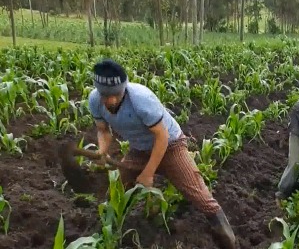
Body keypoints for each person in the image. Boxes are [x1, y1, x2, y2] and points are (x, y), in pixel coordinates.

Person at [87, 59, 236, 249]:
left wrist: (148, 173)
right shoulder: (94, 101)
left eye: (116, 94)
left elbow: (161, 137)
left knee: (201, 198)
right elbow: (103, 130)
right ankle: (109, 236)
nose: (111, 100)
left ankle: (230, 242)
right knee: (115, 194)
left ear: (123, 88)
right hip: (139, 149)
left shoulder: (141, 99)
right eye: (105, 95)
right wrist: (102, 150)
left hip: (170, 145)